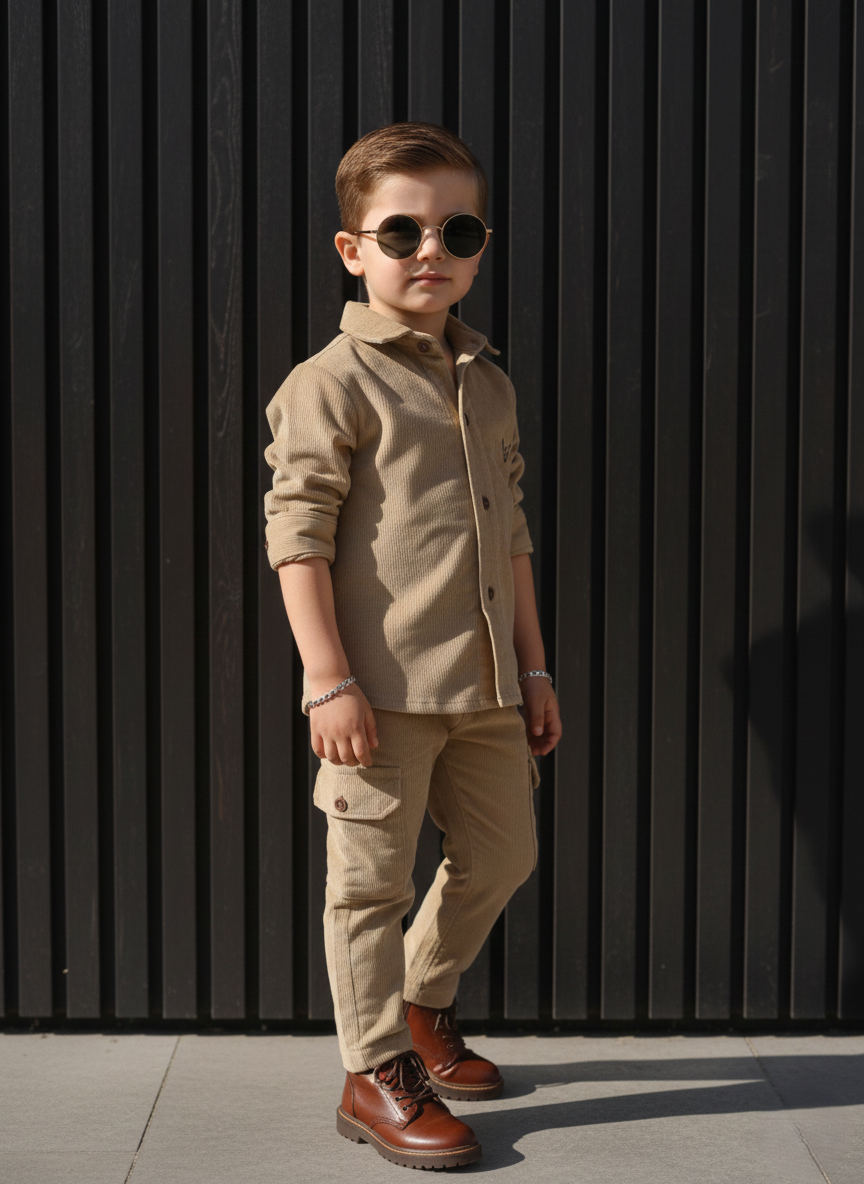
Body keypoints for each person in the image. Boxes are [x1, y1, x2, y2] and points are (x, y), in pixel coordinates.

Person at [263, 122, 562, 1170]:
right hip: (378, 693)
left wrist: (533, 666)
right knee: (368, 888)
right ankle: (373, 1070)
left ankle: (423, 1003)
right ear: (354, 250)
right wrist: (327, 680)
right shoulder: (330, 383)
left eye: (457, 230)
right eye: (402, 232)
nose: (431, 249)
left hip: (484, 683)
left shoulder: (488, 380)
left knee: (505, 854)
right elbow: (296, 536)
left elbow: (511, 531)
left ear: (479, 247)